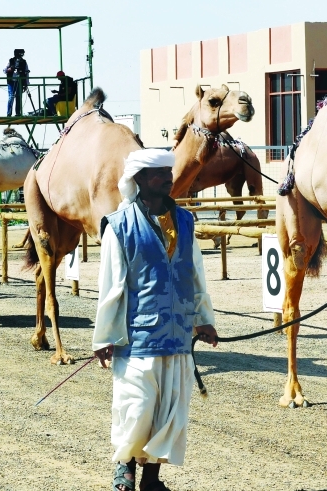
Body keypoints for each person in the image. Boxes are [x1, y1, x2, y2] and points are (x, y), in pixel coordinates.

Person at [93, 148, 218, 491]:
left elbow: (195, 275)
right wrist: (104, 336)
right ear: (139, 180)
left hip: (177, 336)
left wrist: (204, 319)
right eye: (157, 173)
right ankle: (124, 468)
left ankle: (151, 478)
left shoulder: (186, 222)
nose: (166, 178)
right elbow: (111, 286)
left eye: (168, 172)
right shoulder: (119, 226)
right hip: (138, 338)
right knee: (138, 407)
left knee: (169, 410)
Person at [4, 49, 30, 117]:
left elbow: (26, 72)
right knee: (11, 97)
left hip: (20, 81)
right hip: (11, 81)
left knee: (18, 97)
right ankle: (9, 113)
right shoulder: (11, 61)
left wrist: (26, 84)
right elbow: (4, 70)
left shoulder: (24, 62)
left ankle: (18, 113)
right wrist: (10, 69)